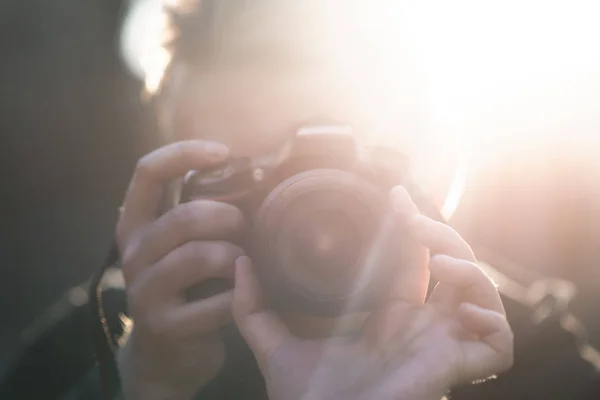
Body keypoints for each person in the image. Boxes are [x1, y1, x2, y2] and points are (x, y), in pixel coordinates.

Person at [111, 1, 514, 399]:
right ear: (183, 195)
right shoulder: (119, 335)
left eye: (335, 169)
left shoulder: (528, 353)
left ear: (430, 164)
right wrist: (149, 384)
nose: (311, 225)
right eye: (257, 180)